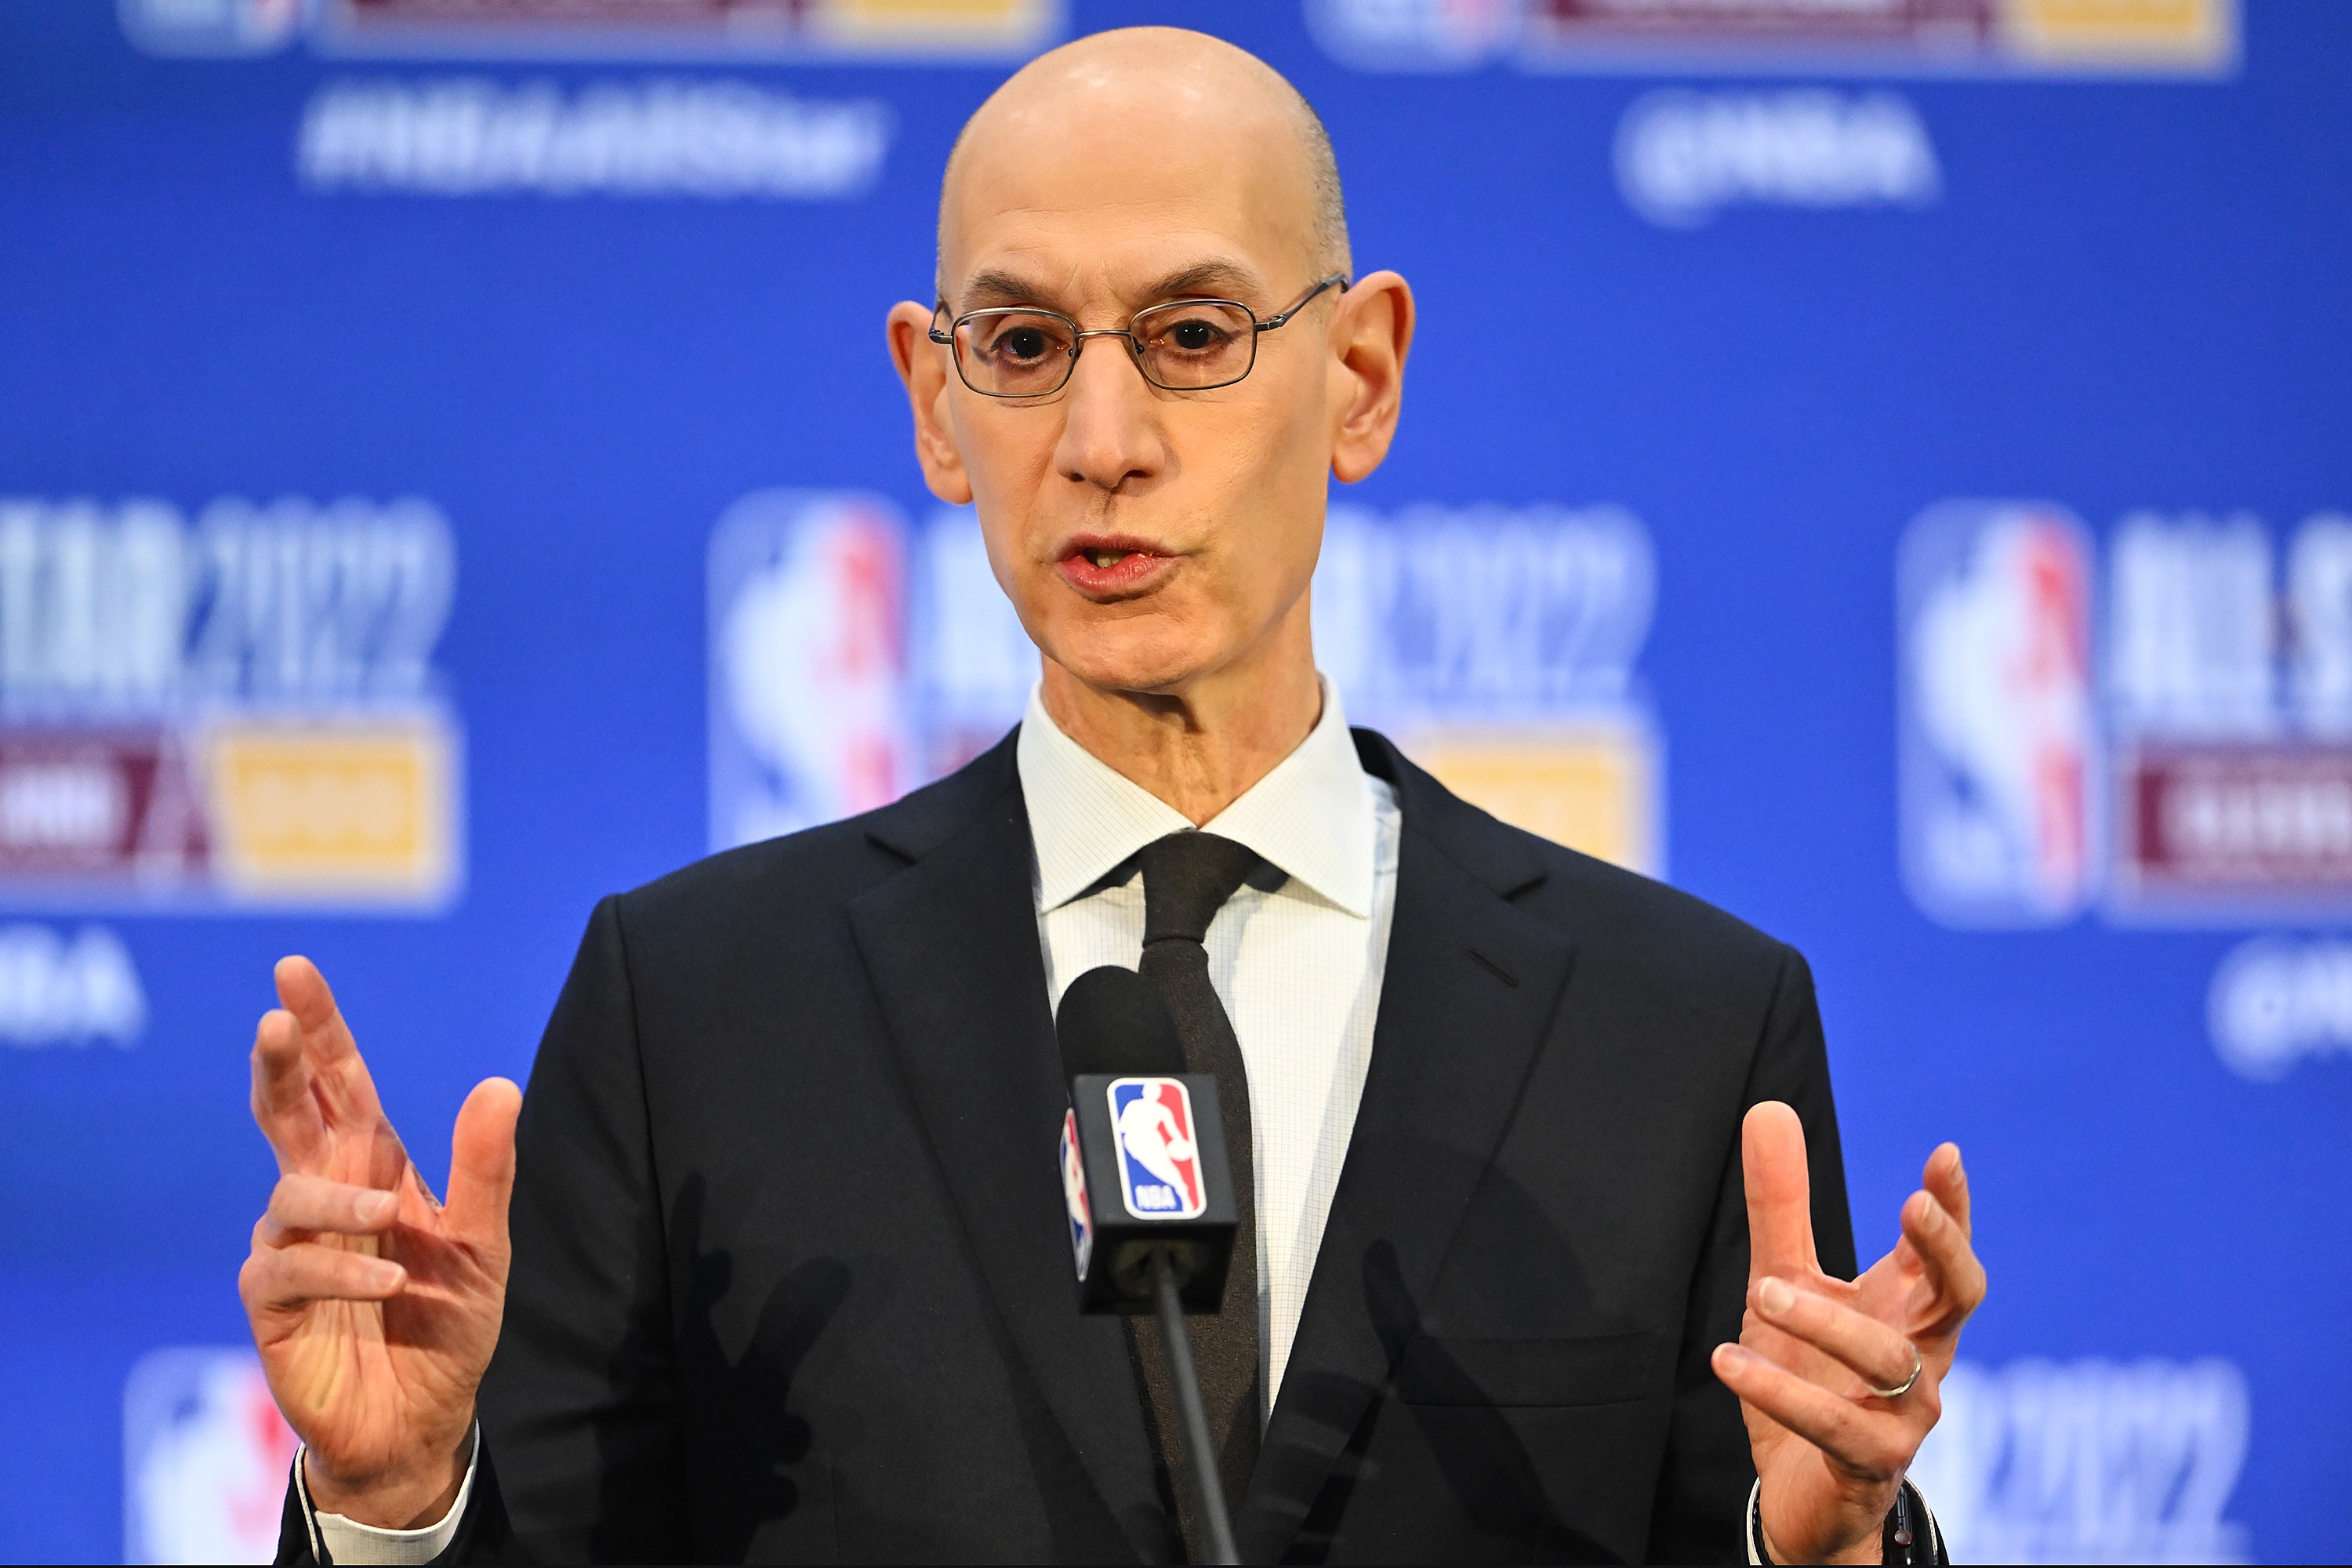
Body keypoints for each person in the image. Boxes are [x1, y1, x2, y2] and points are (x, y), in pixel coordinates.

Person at [239, 27, 1985, 1565]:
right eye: (1021, 346)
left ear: (1361, 376)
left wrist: (1819, 1556)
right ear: (936, 403)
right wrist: (402, 1512)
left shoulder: (1679, 1033)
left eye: (1194, 331)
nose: (1101, 436)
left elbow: (1778, 1512)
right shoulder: (693, 1006)